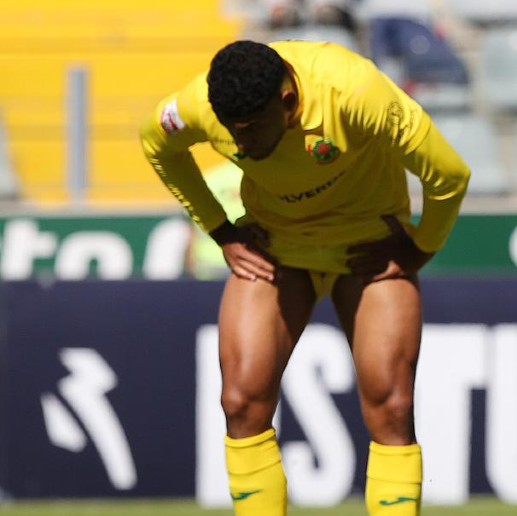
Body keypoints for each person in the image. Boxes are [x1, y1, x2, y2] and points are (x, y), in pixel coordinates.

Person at [140, 40, 470, 516]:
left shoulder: (356, 92)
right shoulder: (203, 105)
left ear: (289, 102)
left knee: (392, 407)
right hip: (277, 248)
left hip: (366, 250)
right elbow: (155, 143)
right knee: (241, 400)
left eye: (252, 130)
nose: (241, 145)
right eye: (233, 132)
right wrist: (220, 229)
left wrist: (420, 249)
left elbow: (449, 175)